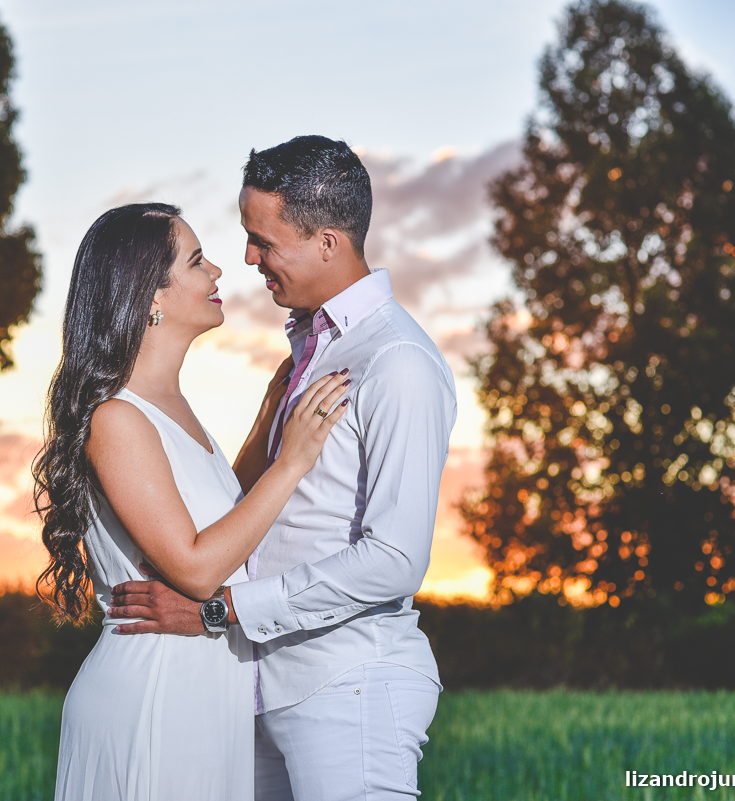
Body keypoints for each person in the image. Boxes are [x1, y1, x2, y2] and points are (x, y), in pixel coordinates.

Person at [109, 136, 458, 800]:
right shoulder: (309, 353)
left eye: (263, 241)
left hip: (347, 685)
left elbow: (393, 559)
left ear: (328, 242)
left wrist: (220, 610)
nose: (247, 258)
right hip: (260, 686)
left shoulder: (397, 362)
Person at [34, 202, 351, 801]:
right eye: (197, 261)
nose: (218, 274)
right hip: (156, 694)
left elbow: (211, 518)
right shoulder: (117, 418)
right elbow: (199, 567)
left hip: (204, 691)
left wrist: (267, 423)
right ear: (148, 294)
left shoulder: (169, 408)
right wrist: (294, 460)